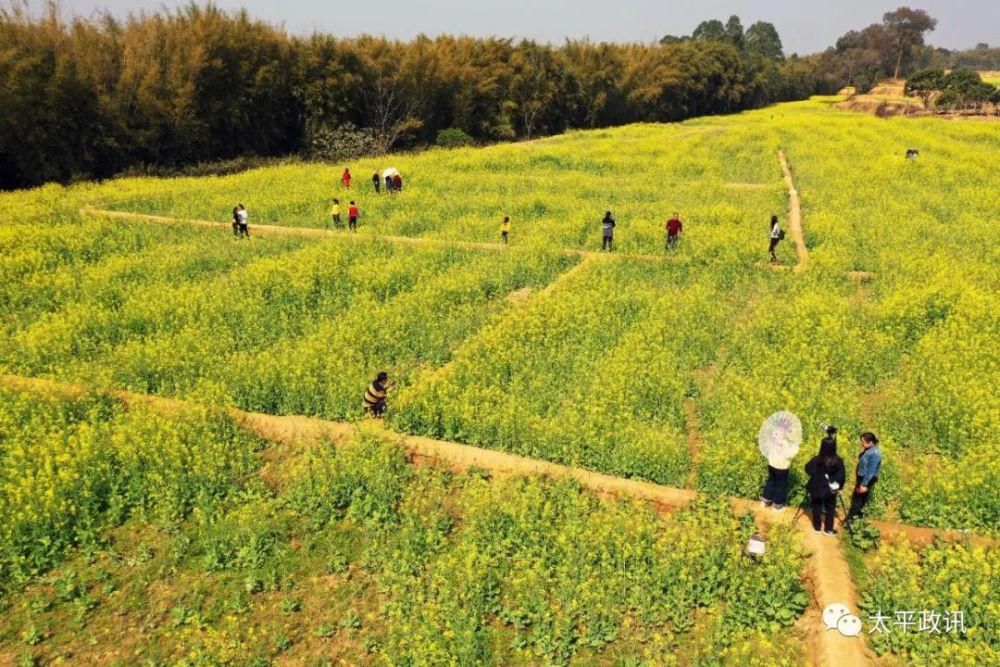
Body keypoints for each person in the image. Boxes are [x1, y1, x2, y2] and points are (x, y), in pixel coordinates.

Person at [804, 430, 846, 535]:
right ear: (834, 447)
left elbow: (808, 469)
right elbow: (841, 475)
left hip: (816, 487)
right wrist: (838, 486)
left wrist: (817, 474)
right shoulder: (838, 460)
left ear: (822, 446)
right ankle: (828, 529)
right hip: (829, 489)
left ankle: (817, 527)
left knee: (816, 506)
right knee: (830, 508)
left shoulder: (817, 459)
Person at [846, 432, 882, 525]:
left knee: (857, 500)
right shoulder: (870, 449)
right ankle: (857, 519)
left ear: (871, 442)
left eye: (863, 441)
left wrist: (864, 484)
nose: (861, 443)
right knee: (861, 499)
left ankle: (850, 521)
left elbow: (871, 471)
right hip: (863, 478)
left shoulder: (875, 453)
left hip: (866, 480)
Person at [761, 439, 795, 511]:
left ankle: (765, 501)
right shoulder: (786, 442)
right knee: (781, 485)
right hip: (781, 466)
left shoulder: (774, 437)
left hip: (772, 464)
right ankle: (777, 506)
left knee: (771, 481)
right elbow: (789, 455)